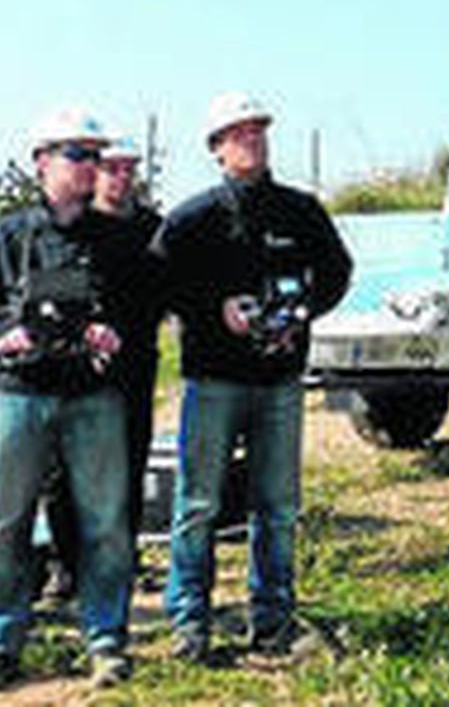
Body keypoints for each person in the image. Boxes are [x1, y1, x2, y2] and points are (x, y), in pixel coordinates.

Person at [152, 92, 352, 662]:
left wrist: (302, 312)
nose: (252, 140)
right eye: (238, 133)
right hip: (213, 380)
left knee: (278, 505)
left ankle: (273, 621)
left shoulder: (301, 211)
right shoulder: (192, 219)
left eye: (258, 130)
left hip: (278, 381)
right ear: (216, 148)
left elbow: (337, 271)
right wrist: (214, 310)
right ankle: (190, 625)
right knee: (198, 504)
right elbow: (159, 282)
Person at [0, 107, 141, 694]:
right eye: (78, 155)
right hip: (21, 396)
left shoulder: (117, 241)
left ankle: (107, 641)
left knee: (105, 524)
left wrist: (114, 333)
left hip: (93, 398)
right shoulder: (6, 237)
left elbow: (139, 309)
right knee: (7, 524)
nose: (92, 166)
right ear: (42, 162)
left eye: (96, 156)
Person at [43, 135, 163, 589]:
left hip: (135, 363)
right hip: (76, 363)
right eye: (113, 167)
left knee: (129, 461)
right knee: (64, 466)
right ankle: (66, 564)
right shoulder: (74, 226)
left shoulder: (155, 229)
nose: (121, 176)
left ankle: (122, 558)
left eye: (130, 168)